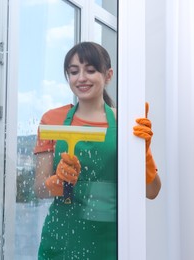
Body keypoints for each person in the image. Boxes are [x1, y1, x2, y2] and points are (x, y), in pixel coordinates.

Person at [33, 41, 161, 259]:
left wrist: (144, 154)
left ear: (108, 75)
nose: (81, 78)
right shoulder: (52, 119)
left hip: (111, 244)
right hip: (60, 242)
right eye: (74, 72)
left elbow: (152, 191)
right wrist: (57, 182)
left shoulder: (127, 121)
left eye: (90, 70)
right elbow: (38, 189)